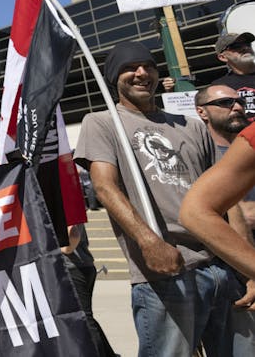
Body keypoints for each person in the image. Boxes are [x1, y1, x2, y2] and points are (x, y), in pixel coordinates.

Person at [74, 41, 232, 356]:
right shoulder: (102, 123)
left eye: (149, 66)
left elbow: (225, 197)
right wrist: (150, 242)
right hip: (162, 273)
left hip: (218, 267)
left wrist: (242, 265)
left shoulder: (190, 125)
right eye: (130, 67)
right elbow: (105, 188)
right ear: (113, 76)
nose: (142, 73)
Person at [190, 85, 255, 352]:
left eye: (239, 101)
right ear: (201, 112)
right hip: (235, 267)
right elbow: (196, 211)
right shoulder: (200, 153)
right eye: (226, 102)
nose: (237, 106)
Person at [61, 224, 118, 357]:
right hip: (82, 266)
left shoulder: (65, 203)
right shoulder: (73, 204)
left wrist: (59, 248)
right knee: (86, 317)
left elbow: (73, 234)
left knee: (84, 319)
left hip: (73, 268)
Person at [212, 32, 255, 123]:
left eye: (247, 44)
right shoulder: (219, 87)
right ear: (223, 57)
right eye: (236, 46)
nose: (245, 48)